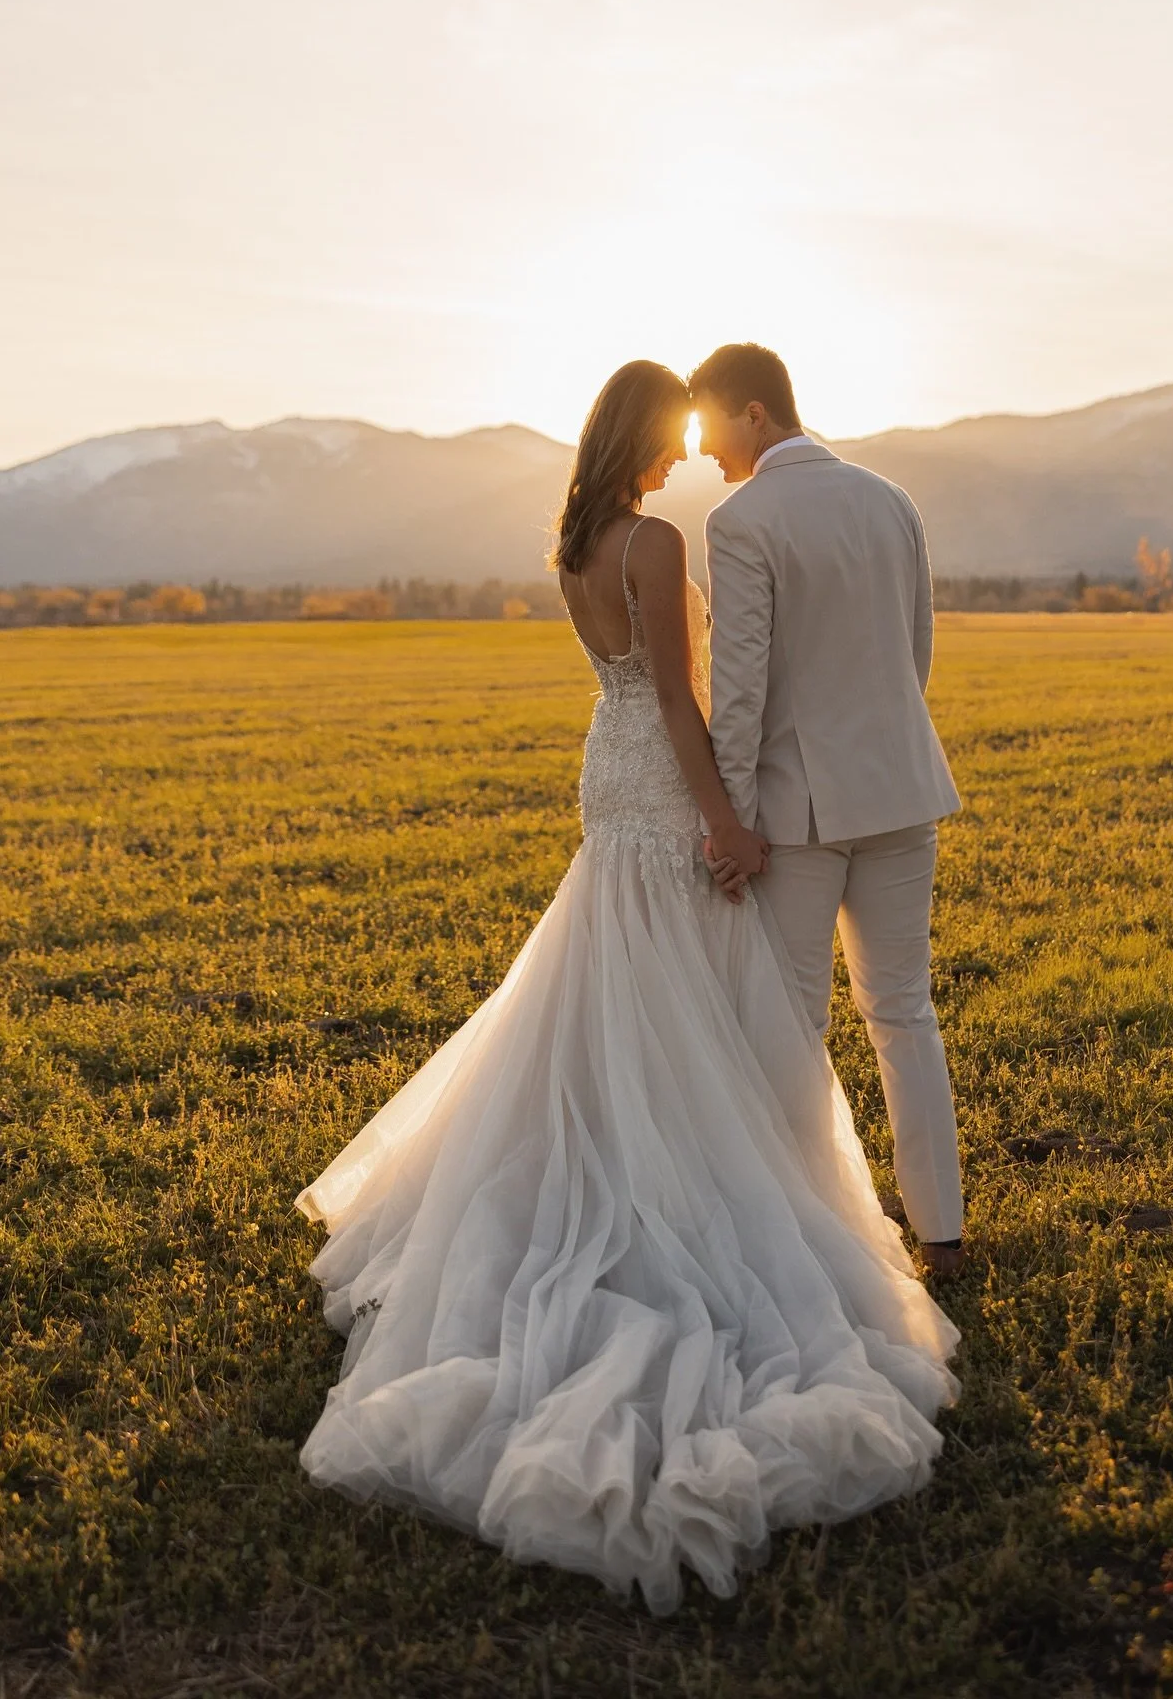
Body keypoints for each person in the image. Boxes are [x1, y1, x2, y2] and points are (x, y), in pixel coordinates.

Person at [294, 359, 958, 1617]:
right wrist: (727, 820)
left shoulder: (573, 547)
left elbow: (635, 684)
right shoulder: (663, 541)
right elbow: (684, 698)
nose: (688, 455)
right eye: (675, 436)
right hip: (666, 775)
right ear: (646, 433)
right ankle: (745, 1185)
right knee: (714, 999)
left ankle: (629, 1153)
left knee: (616, 984)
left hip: (609, 773)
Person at [691, 343, 967, 1275]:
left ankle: (803, 1237)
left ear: (754, 413)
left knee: (792, 1026)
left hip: (797, 812)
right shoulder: (892, 501)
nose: (704, 449)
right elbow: (915, 655)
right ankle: (942, 1233)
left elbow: (740, 691)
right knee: (906, 1012)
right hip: (901, 791)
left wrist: (731, 823)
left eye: (709, 426)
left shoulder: (740, 520)